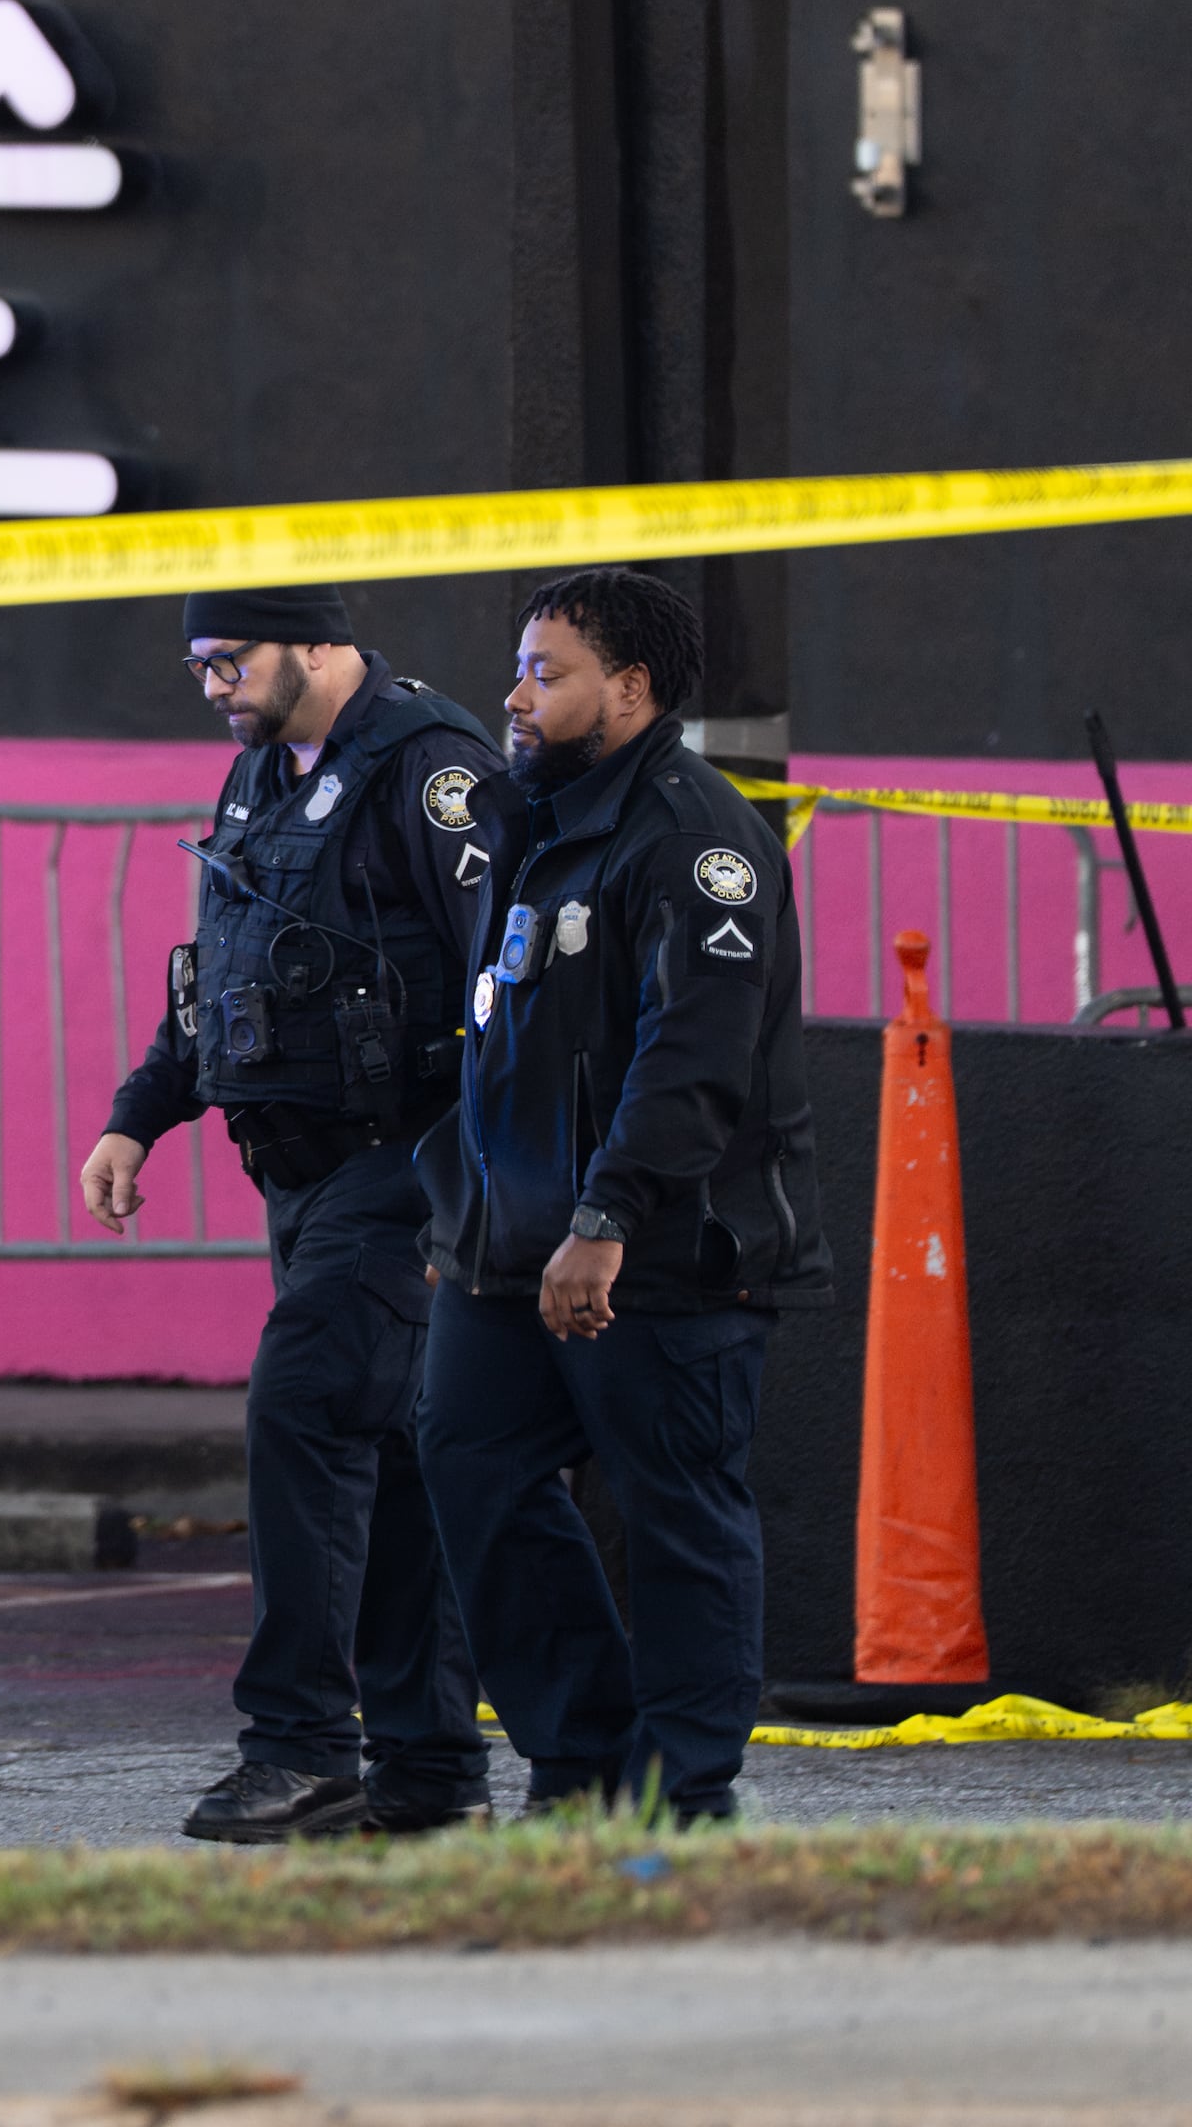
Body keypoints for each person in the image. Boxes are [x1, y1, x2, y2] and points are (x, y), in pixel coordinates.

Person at [77, 586, 502, 1843]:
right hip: (303, 1176)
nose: (213, 686)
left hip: (402, 1170)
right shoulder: (261, 773)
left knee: (303, 1412)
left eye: (231, 660)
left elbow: (506, 979)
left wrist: (482, 1184)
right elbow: (222, 969)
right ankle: (429, 1775)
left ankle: (300, 1748)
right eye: (199, 665)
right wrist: (138, 1112)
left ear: (317, 644)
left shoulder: (431, 771)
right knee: (401, 1464)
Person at [413, 565, 832, 1824]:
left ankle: (681, 1792)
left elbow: (691, 1062)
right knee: (469, 1461)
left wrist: (605, 1221)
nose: (518, 693)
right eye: (523, 667)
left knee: (680, 1516)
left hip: (664, 1257)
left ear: (632, 689)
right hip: (508, 1254)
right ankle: (582, 1758)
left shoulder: (699, 841)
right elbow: (499, 1035)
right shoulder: (527, 813)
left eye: (550, 672)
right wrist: (467, 1217)